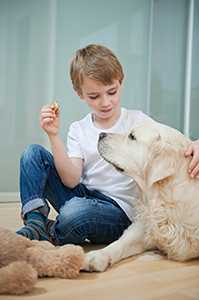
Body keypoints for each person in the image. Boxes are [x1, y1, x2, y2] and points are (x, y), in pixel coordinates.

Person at [16, 44, 199, 245]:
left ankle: (54, 231)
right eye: (94, 96)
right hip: (82, 197)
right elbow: (71, 180)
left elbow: (175, 144)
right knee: (32, 154)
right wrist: (53, 136)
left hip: (117, 210)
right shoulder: (79, 129)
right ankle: (35, 223)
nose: (105, 102)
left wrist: (196, 144)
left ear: (120, 82)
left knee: (74, 213)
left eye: (112, 92)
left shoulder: (139, 122)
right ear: (80, 93)